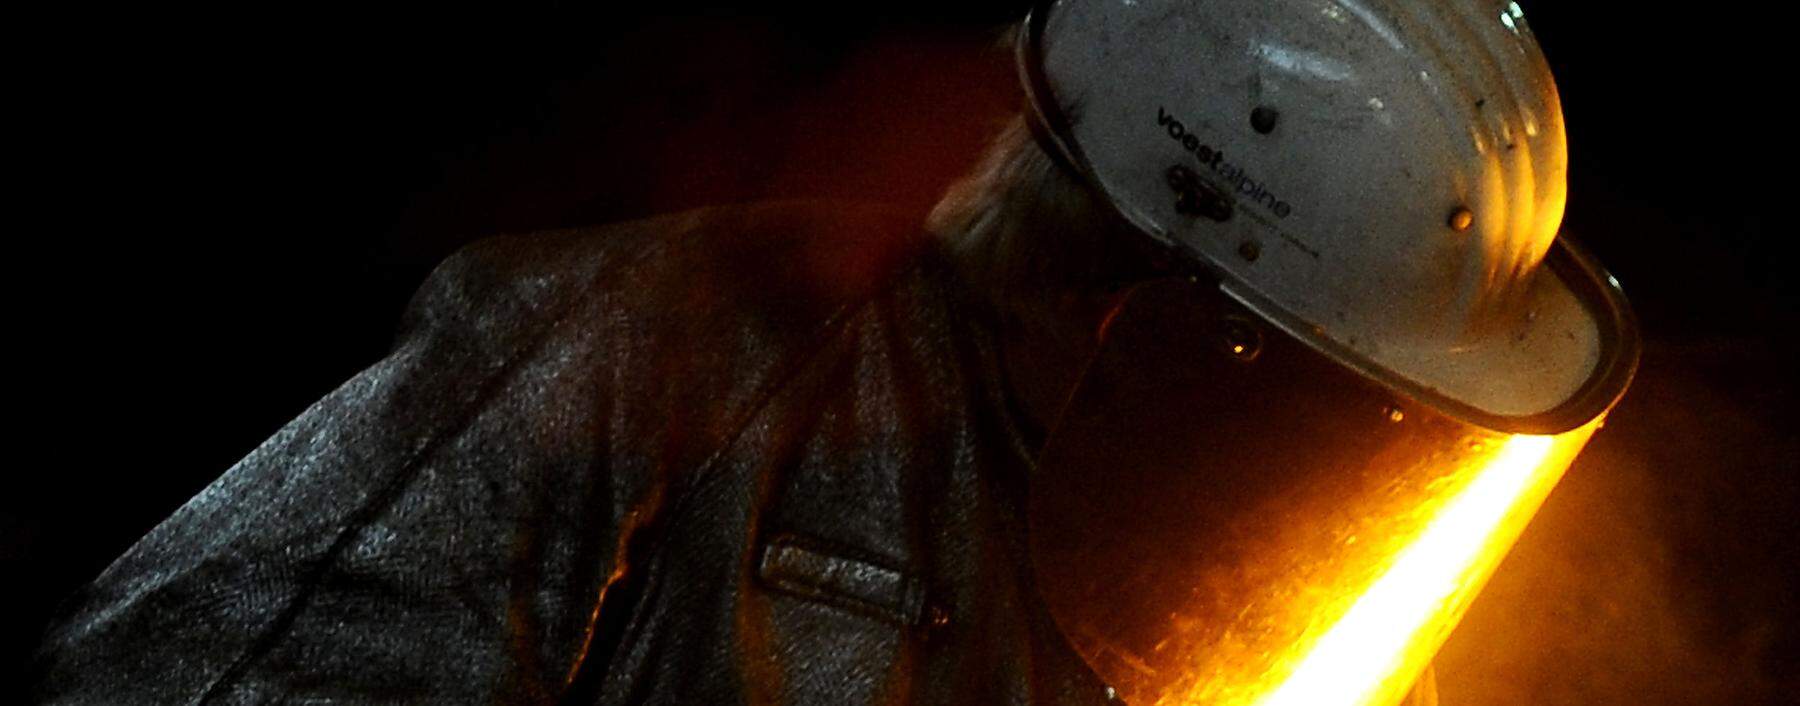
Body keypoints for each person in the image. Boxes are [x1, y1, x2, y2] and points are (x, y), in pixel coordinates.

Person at [31, 1, 1636, 705]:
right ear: (1151, 322)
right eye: (1329, 402)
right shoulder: (660, 360)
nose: (1339, 467)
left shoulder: (1286, 623)